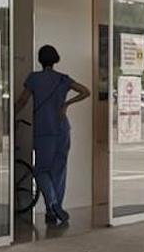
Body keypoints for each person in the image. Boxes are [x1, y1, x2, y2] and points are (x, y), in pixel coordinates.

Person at [15, 45, 90, 226]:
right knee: (59, 171)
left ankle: (53, 204)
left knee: (41, 170)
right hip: (63, 130)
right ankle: (53, 211)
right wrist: (66, 105)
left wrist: (9, 116)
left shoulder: (33, 79)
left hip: (43, 131)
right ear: (55, 59)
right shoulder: (63, 79)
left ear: (40, 60)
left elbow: (23, 101)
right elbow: (85, 91)